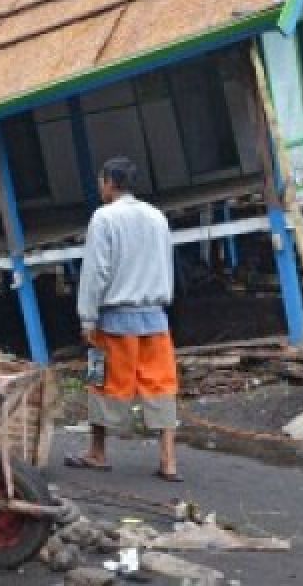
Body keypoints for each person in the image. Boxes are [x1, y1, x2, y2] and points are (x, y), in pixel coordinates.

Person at [65, 156, 181, 481]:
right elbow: (165, 264)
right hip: (155, 319)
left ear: (110, 183)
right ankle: (168, 460)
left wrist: (86, 318)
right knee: (161, 385)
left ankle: (98, 452)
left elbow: (95, 273)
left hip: (113, 321)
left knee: (98, 379)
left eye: (101, 180)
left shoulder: (104, 218)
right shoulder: (157, 217)